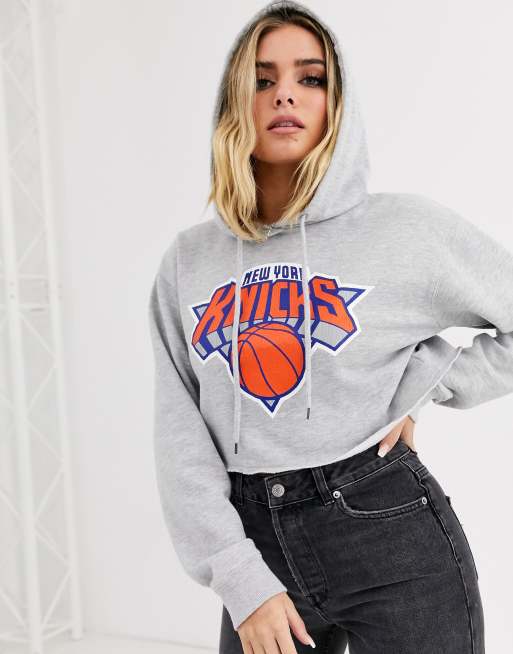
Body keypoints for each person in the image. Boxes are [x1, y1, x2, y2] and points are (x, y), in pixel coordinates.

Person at [148, 2, 513, 652]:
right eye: (262, 79)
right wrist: (239, 578)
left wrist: (431, 384)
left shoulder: (404, 230)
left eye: (310, 78)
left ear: (336, 104)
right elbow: (181, 437)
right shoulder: (188, 262)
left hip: (389, 531)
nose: (284, 93)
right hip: (253, 546)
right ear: (233, 105)